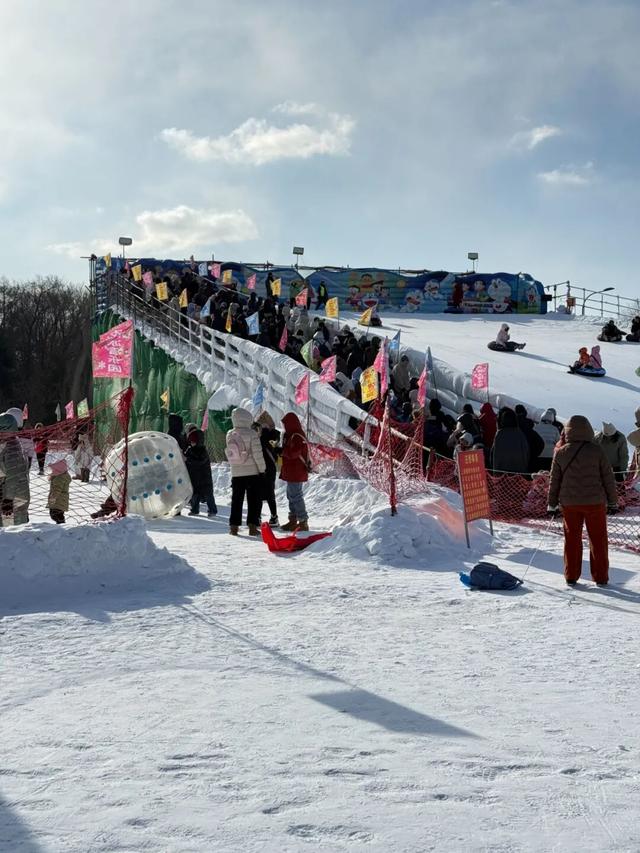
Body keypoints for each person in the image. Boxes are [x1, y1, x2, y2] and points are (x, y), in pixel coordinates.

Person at [548, 414, 618, 586]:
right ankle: (600, 577)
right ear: (587, 430)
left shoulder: (561, 452)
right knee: (598, 539)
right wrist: (613, 501)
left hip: (569, 504)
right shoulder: (597, 451)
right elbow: (608, 478)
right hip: (595, 502)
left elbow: (554, 480)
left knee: (572, 539)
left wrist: (551, 503)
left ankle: (571, 575)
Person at [225, 407, 266, 536]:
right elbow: (257, 454)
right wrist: (262, 469)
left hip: (236, 473)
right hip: (252, 473)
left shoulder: (229, 434)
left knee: (237, 500)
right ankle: (252, 527)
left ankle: (234, 527)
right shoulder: (252, 434)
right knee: (253, 500)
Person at [280, 412, 310, 531]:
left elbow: (294, 453)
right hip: (292, 471)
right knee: (291, 496)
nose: (284, 427)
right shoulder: (291, 434)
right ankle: (293, 520)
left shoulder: (297, 435)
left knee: (296, 496)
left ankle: (303, 521)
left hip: (296, 471)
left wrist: (282, 451)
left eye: (285, 424)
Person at [0, 411, 30, 526]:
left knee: (12, 529)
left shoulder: (12, 447)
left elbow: (13, 474)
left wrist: (8, 499)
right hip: (8, 492)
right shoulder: (7, 443)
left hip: (15, 495)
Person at [255, 411, 281, 526]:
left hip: (260, 468)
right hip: (271, 468)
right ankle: (274, 517)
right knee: (270, 494)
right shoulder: (275, 437)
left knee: (259, 494)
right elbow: (275, 450)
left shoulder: (261, 438)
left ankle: (258, 517)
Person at [185, 428, 217, 517]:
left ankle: (212, 510)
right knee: (195, 494)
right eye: (190, 441)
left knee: (208, 495)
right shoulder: (190, 450)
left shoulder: (202, 450)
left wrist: (188, 459)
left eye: (193, 441)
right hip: (194, 476)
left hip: (204, 477)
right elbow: (187, 460)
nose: (192, 443)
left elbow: (199, 462)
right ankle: (194, 509)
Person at [490, 407, 530, 473]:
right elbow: (527, 452)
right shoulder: (520, 434)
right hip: (519, 473)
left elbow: (493, 455)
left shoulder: (499, 434)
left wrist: (495, 472)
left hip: (502, 474)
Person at [47, 459, 72, 524]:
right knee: (57, 514)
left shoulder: (60, 478)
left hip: (58, 500)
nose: (52, 471)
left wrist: (53, 498)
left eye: (54, 469)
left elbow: (57, 489)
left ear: (58, 470)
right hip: (60, 500)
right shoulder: (60, 475)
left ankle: (61, 524)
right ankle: (60, 524)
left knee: (55, 514)